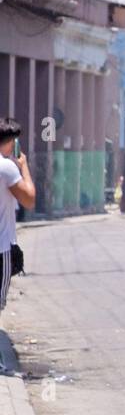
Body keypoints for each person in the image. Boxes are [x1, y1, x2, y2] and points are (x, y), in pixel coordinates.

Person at [1, 117, 37, 321]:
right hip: (1, 248)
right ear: (12, 143)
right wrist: (24, 167)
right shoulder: (7, 168)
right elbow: (29, 200)